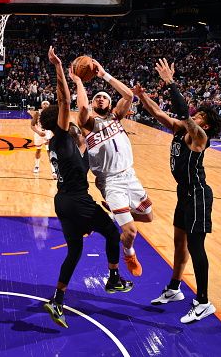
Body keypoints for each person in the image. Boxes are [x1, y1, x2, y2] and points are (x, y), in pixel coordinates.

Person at [41, 47, 132, 330]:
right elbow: (64, 98)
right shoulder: (61, 135)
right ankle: (114, 278)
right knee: (111, 233)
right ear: (60, 121)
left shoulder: (59, 144)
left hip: (64, 201)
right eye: (64, 116)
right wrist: (61, 69)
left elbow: (84, 140)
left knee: (75, 251)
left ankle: (57, 298)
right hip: (77, 200)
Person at [135, 58, 221, 323]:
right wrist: (141, 96)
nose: (193, 116)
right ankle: (174, 288)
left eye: (198, 116)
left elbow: (183, 112)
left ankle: (204, 301)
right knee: (179, 243)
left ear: (203, 125)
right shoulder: (178, 129)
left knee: (197, 247)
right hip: (183, 195)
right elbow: (158, 114)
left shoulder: (199, 137)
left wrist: (170, 83)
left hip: (198, 195)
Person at [73, 58, 153, 277]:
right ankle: (129, 252)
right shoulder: (89, 124)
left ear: (110, 104)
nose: (100, 98)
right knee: (130, 230)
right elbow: (81, 107)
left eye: (104, 97)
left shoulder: (116, 117)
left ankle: (119, 213)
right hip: (110, 181)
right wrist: (79, 81)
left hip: (130, 175)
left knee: (148, 216)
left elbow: (129, 96)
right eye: (97, 97)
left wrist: (104, 74)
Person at [31, 100, 57, 179]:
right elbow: (32, 125)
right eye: (44, 103)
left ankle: (53, 171)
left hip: (48, 134)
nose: (45, 105)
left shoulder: (51, 114)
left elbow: (54, 126)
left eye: (47, 104)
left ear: (49, 105)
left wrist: (52, 136)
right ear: (41, 105)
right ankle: (37, 166)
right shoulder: (37, 113)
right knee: (38, 150)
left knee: (50, 152)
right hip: (39, 134)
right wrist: (38, 132)